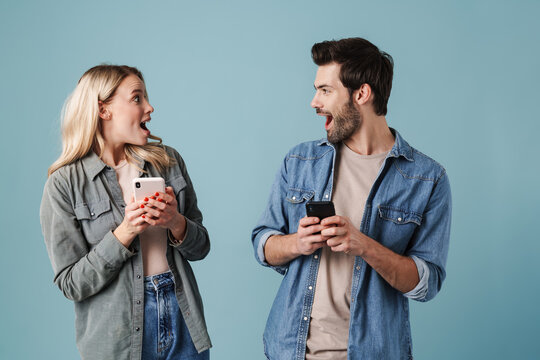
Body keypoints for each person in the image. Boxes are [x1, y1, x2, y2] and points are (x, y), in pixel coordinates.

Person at [252, 38, 451, 359]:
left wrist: (364, 245)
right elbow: (262, 243)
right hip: (290, 348)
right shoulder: (299, 161)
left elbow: (426, 284)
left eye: (325, 90)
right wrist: (297, 243)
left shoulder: (428, 178)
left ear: (361, 94)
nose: (314, 102)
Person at [40, 65, 211, 359]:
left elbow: (202, 247)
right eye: (137, 98)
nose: (149, 107)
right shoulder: (63, 184)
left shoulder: (168, 161)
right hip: (116, 336)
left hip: (182, 317)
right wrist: (124, 232)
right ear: (103, 110)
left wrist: (176, 223)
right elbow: (71, 283)